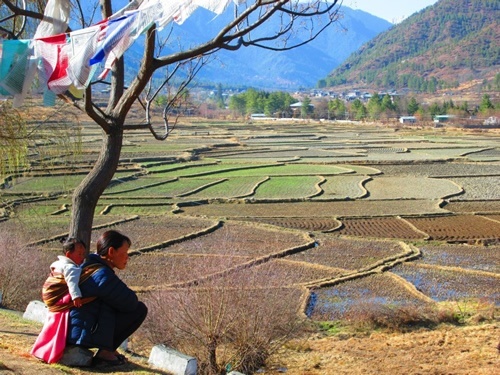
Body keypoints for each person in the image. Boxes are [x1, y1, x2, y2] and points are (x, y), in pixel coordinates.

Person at [66, 230, 148, 366]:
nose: (127, 257)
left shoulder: (90, 267)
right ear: (111, 252)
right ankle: (106, 352)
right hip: (82, 334)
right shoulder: (102, 275)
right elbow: (130, 302)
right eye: (125, 252)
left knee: (114, 302)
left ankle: (109, 349)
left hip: (78, 330)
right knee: (139, 309)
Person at [31, 237, 87, 363]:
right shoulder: (72, 268)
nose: (82, 257)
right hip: (61, 303)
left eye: (83, 254)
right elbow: (72, 284)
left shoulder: (57, 264)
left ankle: (40, 349)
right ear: (68, 254)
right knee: (57, 329)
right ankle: (50, 352)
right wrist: (76, 297)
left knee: (49, 327)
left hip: (52, 302)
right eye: (79, 254)